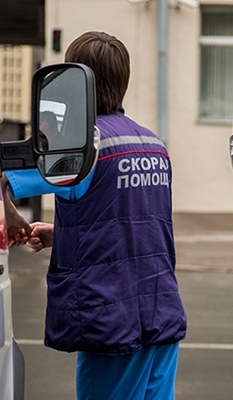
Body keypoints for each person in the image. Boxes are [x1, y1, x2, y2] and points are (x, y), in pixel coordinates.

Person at [2, 31, 187, 399]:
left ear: (76, 81)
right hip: (161, 314)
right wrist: (64, 232)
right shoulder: (153, 144)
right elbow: (131, 222)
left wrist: (12, 217)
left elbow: (4, 177)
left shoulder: (81, 145)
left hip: (112, 323)